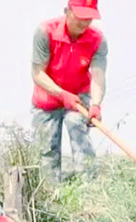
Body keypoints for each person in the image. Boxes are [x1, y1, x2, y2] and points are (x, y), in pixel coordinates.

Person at [31, 0, 108, 181]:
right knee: (46, 149)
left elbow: (98, 76)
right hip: (47, 98)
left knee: (76, 125)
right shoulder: (45, 32)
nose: (84, 23)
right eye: (80, 17)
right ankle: (50, 193)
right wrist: (61, 94)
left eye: (89, 18)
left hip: (79, 98)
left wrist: (95, 105)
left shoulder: (97, 40)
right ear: (67, 11)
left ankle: (88, 187)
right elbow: (37, 73)